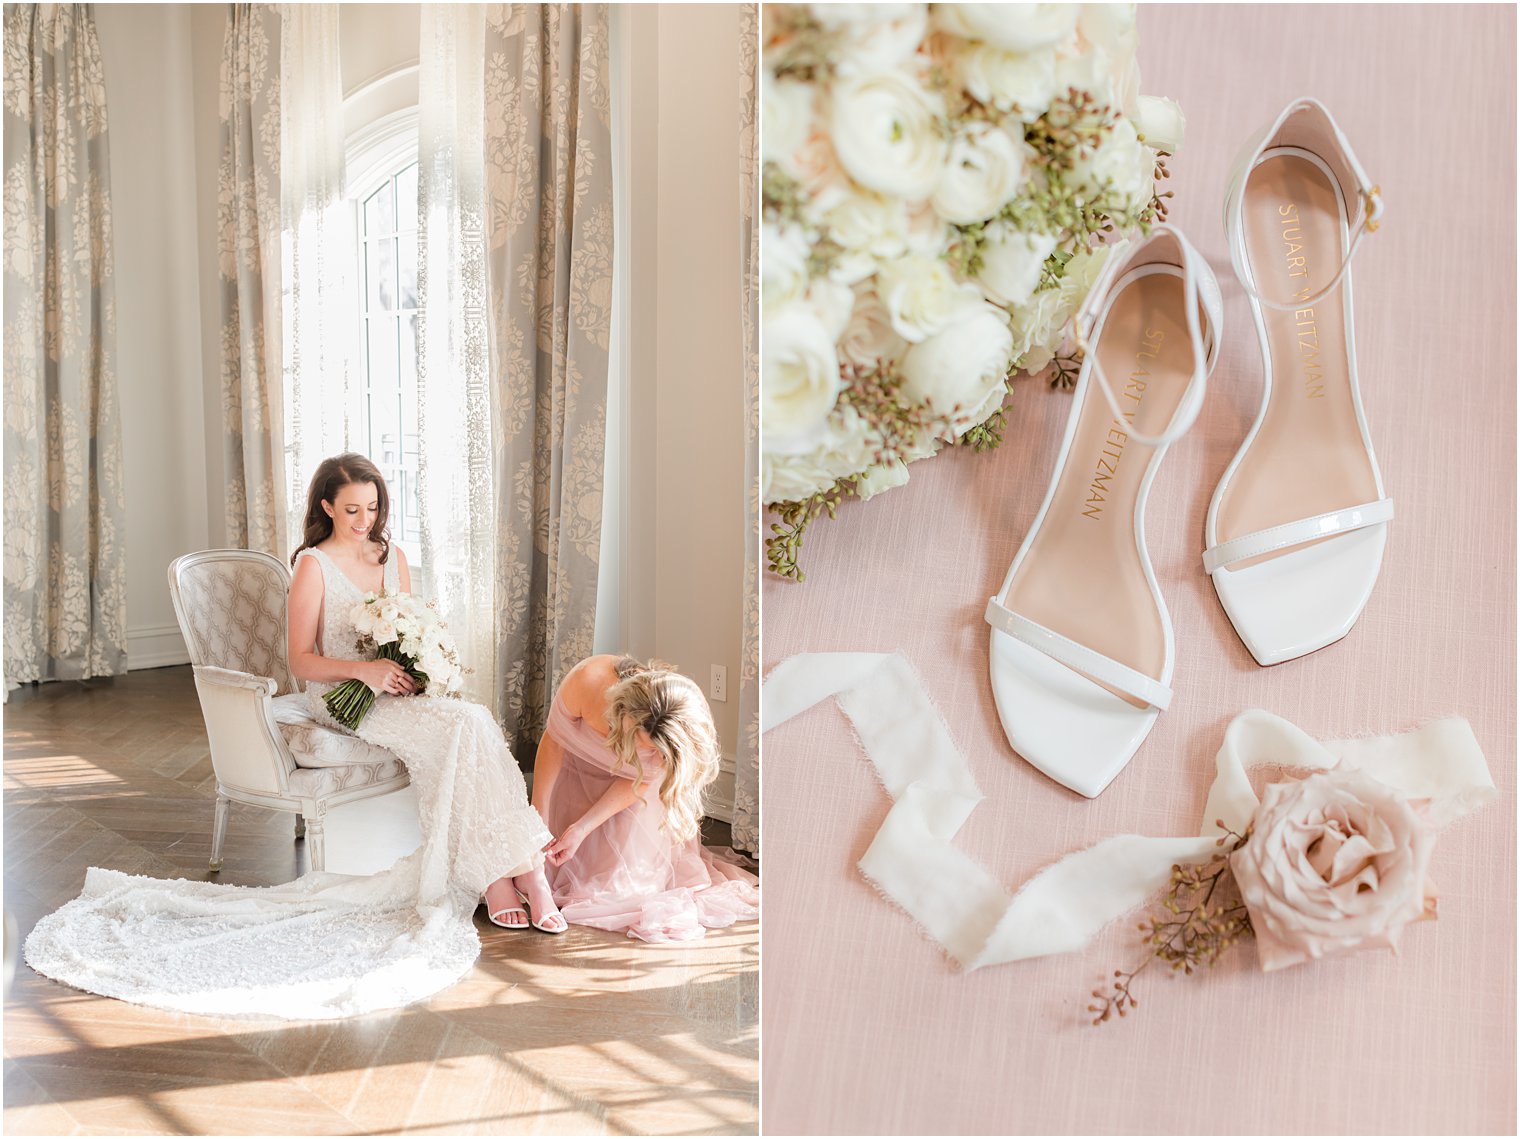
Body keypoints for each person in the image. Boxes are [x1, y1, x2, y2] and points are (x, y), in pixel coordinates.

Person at [287, 453, 565, 933]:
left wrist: (417, 670)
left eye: (372, 508)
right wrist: (365, 672)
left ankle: (510, 874)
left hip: (397, 692)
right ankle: (521, 874)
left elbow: (410, 632)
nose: (364, 520)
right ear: (328, 507)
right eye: (352, 509)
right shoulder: (313, 566)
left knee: (470, 724)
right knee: (466, 725)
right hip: (341, 700)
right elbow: (299, 661)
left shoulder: (391, 558)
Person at [534, 654, 759, 942]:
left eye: (651, 750)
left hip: (634, 792)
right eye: (638, 742)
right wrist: (537, 818)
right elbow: (554, 743)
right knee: (546, 858)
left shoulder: (685, 724)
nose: (636, 752)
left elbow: (639, 781)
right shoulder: (588, 681)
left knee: (619, 888)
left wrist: (582, 828)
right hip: (575, 774)